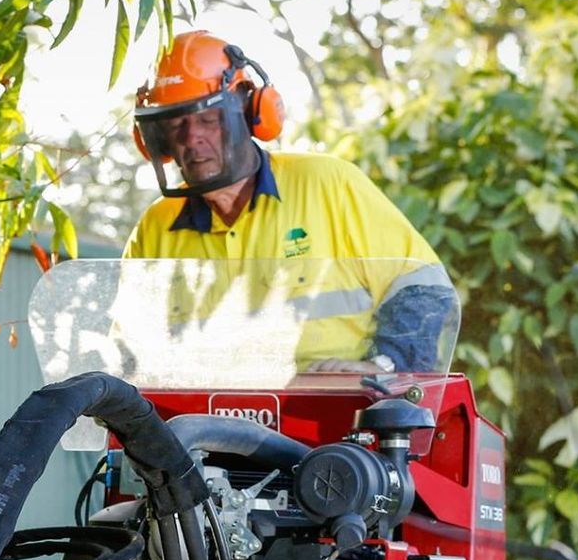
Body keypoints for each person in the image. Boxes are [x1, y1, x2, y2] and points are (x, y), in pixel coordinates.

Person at [123, 32, 460, 374]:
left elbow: (422, 287)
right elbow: (127, 349)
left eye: (207, 120)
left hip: (333, 412)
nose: (192, 138)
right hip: (202, 420)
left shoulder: (329, 184)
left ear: (250, 110)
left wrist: (384, 368)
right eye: (175, 124)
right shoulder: (155, 228)